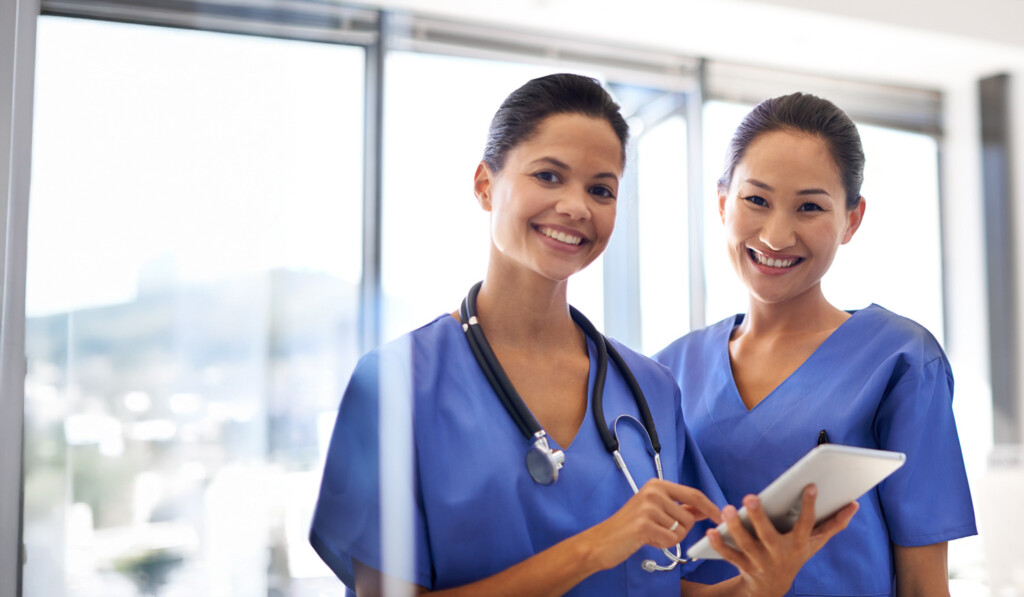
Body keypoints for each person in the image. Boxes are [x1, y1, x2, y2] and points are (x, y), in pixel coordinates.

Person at [309, 74, 856, 596]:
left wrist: (762, 585)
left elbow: (671, 587)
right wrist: (596, 546)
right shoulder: (397, 385)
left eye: (601, 189)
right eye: (548, 175)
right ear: (485, 184)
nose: (575, 206)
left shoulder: (650, 388)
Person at [654, 92, 977, 596]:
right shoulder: (666, 372)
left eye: (809, 207)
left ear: (852, 219)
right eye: (755, 200)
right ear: (722, 203)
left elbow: (924, 584)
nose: (777, 235)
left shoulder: (900, 359)